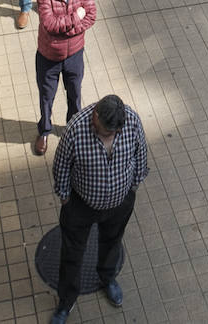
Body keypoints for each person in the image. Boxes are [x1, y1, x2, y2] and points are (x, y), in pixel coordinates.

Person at [50, 95, 149, 321]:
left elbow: (141, 153)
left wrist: (133, 186)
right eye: (105, 132)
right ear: (95, 115)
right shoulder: (76, 128)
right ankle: (66, 301)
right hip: (80, 206)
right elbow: (62, 165)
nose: (109, 136)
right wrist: (65, 198)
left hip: (119, 203)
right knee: (72, 253)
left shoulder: (131, 121)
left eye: (113, 133)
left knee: (112, 242)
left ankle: (107, 278)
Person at [32, 0, 95, 156]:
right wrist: (76, 17)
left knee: (75, 95)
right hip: (48, 56)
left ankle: (73, 130)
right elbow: (50, 25)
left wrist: (67, 29)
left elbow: (92, 15)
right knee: (46, 97)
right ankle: (44, 131)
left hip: (74, 55)